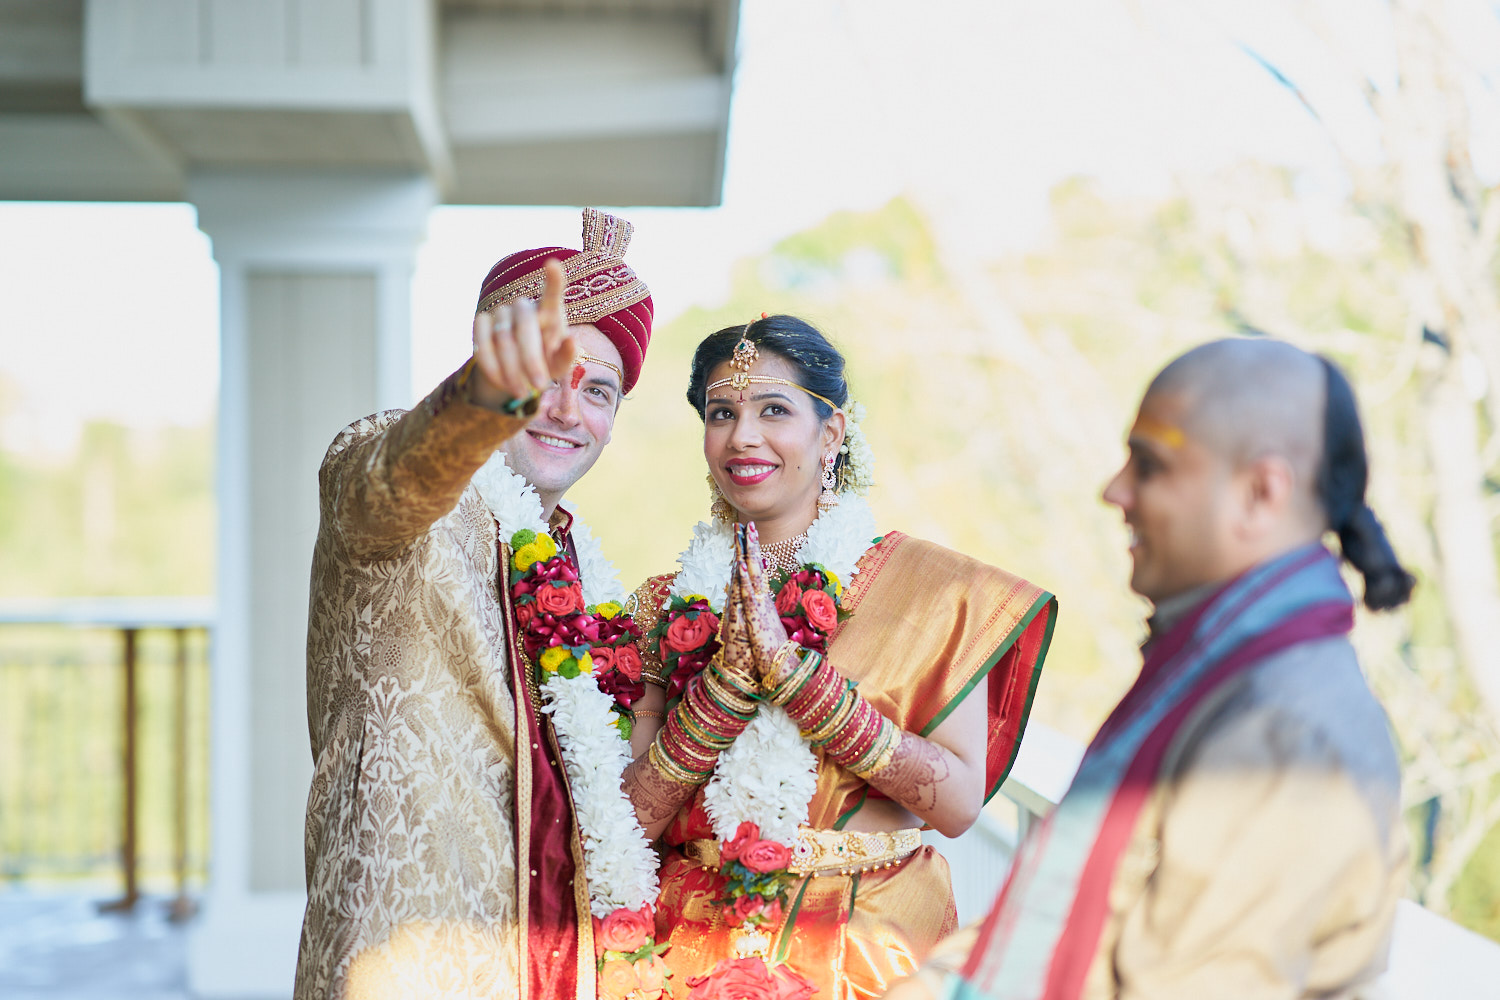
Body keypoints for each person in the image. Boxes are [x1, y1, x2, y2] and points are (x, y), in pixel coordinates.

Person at [886, 338, 1412, 1000]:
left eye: (1150, 465)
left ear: (1260, 493)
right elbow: (1049, 921)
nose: (1114, 491)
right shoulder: (1209, 673)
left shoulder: (1288, 728)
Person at [619, 315, 1057, 999]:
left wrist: (797, 681)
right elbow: (630, 823)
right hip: (688, 951)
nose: (743, 436)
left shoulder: (932, 594)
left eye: (774, 410)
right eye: (721, 413)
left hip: (869, 950)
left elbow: (960, 805)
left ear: (831, 433)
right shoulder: (660, 607)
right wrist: (723, 695)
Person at [295, 209, 658, 1000]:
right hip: (411, 963)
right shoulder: (410, 497)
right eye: (543, 377)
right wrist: (477, 403)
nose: (567, 411)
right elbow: (388, 483)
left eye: (598, 391)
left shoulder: (585, 579)